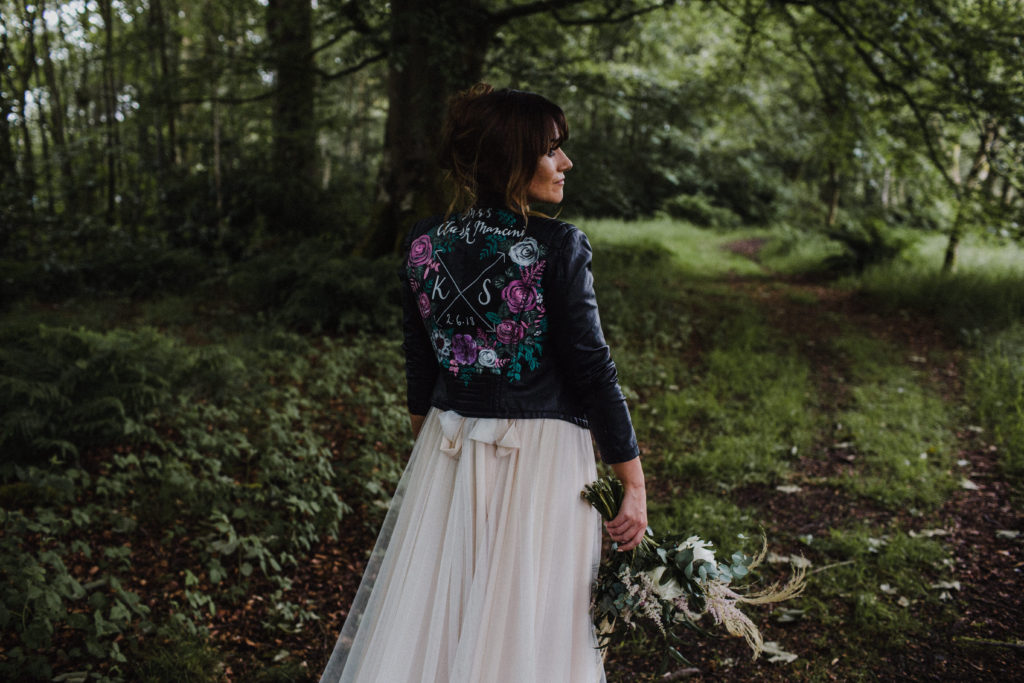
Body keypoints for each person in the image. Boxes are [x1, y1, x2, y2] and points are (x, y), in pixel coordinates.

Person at [319, 83, 647, 683]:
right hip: (541, 462)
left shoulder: (424, 244)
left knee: (442, 617)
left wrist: (430, 463)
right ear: (513, 159)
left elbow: (421, 372)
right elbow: (592, 368)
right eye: (551, 150)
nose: (565, 163)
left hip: (447, 446)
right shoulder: (558, 245)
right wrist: (633, 481)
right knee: (531, 619)